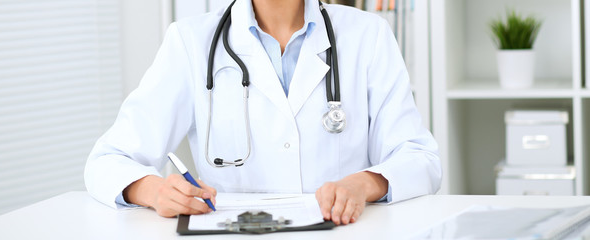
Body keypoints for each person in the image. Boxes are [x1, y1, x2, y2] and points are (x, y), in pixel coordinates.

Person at [84, 0, 442, 226]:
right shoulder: (191, 42)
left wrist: (363, 184)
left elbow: (420, 158)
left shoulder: (368, 35)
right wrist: (153, 190)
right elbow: (107, 161)